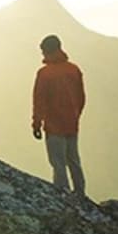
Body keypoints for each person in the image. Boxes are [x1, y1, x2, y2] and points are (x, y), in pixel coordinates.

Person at [31, 34, 86, 195]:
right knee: (74, 161)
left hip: (54, 126)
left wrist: (37, 123)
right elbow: (81, 97)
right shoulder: (74, 70)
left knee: (58, 163)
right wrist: (76, 115)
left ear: (47, 51)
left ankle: (63, 196)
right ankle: (80, 193)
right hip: (72, 123)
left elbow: (39, 100)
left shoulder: (45, 73)